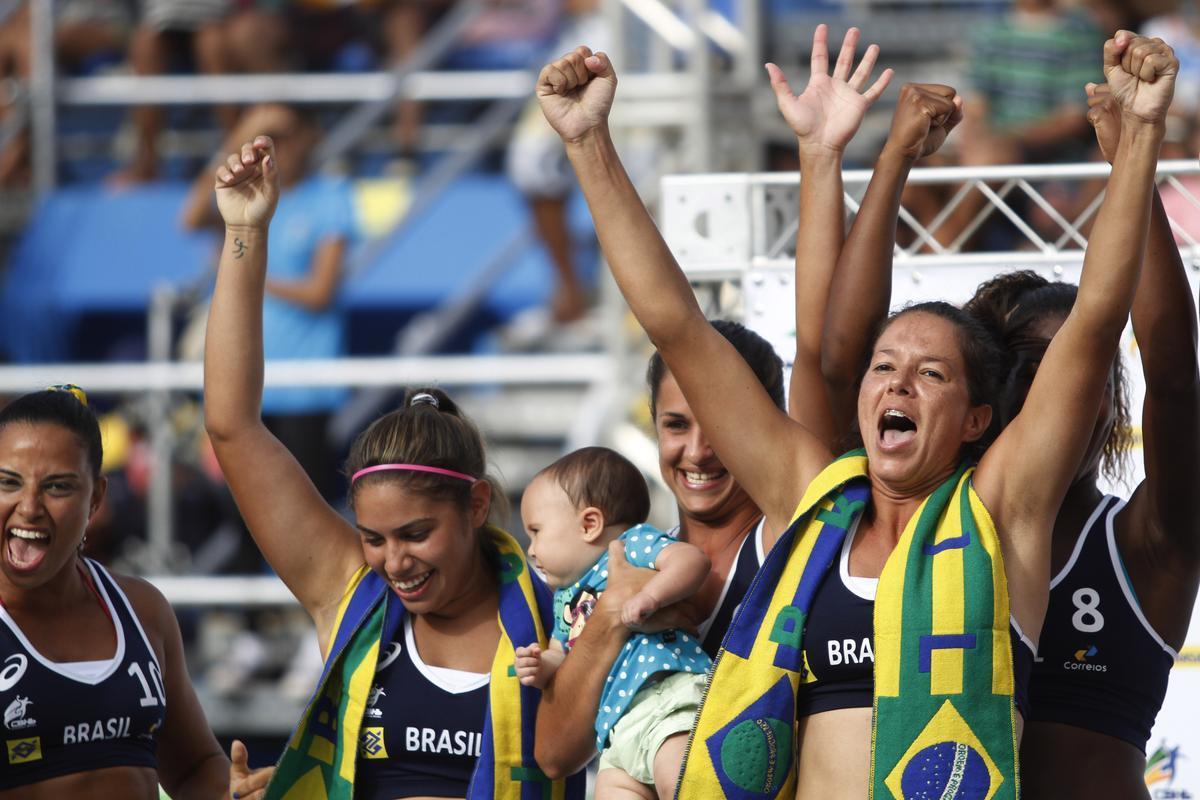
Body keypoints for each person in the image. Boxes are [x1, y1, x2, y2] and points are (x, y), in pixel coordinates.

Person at [536, 26, 1176, 799]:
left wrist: (1139, 136)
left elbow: (1098, 318)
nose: (896, 385)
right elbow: (677, 326)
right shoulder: (814, 495)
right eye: (885, 368)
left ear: (978, 419)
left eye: (929, 373)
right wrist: (588, 144)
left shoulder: (1004, 511)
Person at [201, 133, 583, 799]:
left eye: (414, 534)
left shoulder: (562, 610)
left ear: (474, 507)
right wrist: (244, 233)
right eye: (373, 538)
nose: (393, 562)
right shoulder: (351, 592)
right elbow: (232, 425)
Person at [972, 82, 1199, 800]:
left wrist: (1135, 154)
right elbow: (833, 361)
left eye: (1086, 375)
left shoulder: (1148, 542)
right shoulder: (930, 530)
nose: (1061, 399)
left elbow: (1172, 373)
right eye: (1034, 372)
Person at [531, 318, 785, 780]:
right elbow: (554, 754)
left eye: (719, 426)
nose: (696, 451)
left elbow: (829, 355)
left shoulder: (790, 546)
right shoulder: (620, 565)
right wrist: (612, 615)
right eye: (675, 425)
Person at [0, 385, 230, 799]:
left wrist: (238, 791)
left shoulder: (142, 608)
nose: (30, 506)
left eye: (57, 486)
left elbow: (197, 766)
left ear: (96, 498)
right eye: (7, 482)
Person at [516, 447, 711, 799]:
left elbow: (690, 560)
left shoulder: (629, 546)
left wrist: (651, 596)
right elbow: (564, 658)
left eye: (537, 531)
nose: (531, 549)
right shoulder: (565, 598)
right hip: (616, 729)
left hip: (664, 702)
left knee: (685, 785)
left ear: (589, 525)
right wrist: (541, 666)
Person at [183, 103, 353, 503]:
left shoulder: (330, 196)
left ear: (311, 135)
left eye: (286, 133)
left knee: (307, 512)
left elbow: (320, 291)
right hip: (240, 388)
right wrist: (237, 137)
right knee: (241, 519)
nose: (278, 146)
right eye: (266, 136)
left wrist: (247, 276)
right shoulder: (244, 193)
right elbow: (190, 218)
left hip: (303, 388)